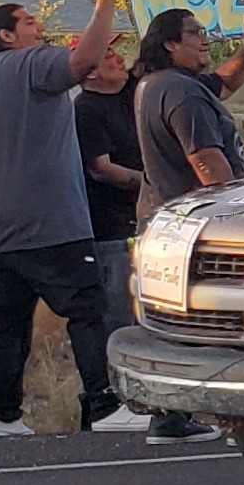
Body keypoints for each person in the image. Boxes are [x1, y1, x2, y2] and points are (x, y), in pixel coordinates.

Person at [0, 0, 138, 440]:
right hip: (48, 220)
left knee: (12, 320)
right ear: (6, 35)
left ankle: (4, 414)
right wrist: (106, 1)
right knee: (87, 307)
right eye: (30, 22)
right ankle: (103, 404)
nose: (41, 29)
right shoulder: (29, 64)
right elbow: (83, 61)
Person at [134, 7, 244, 226]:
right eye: (196, 33)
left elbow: (225, 83)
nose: (205, 40)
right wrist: (237, 217)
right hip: (192, 223)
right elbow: (206, 162)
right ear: (170, 43)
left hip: (166, 219)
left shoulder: (158, 83)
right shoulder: (183, 92)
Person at [75, 42, 147, 396]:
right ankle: (114, 395)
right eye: (107, 56)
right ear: (89, 71)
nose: (119, 59)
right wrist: (149, 182)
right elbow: (101, 169)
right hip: (110, 231)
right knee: (118, 316)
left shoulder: (128, 94)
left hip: (142, 224)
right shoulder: (86, 110)